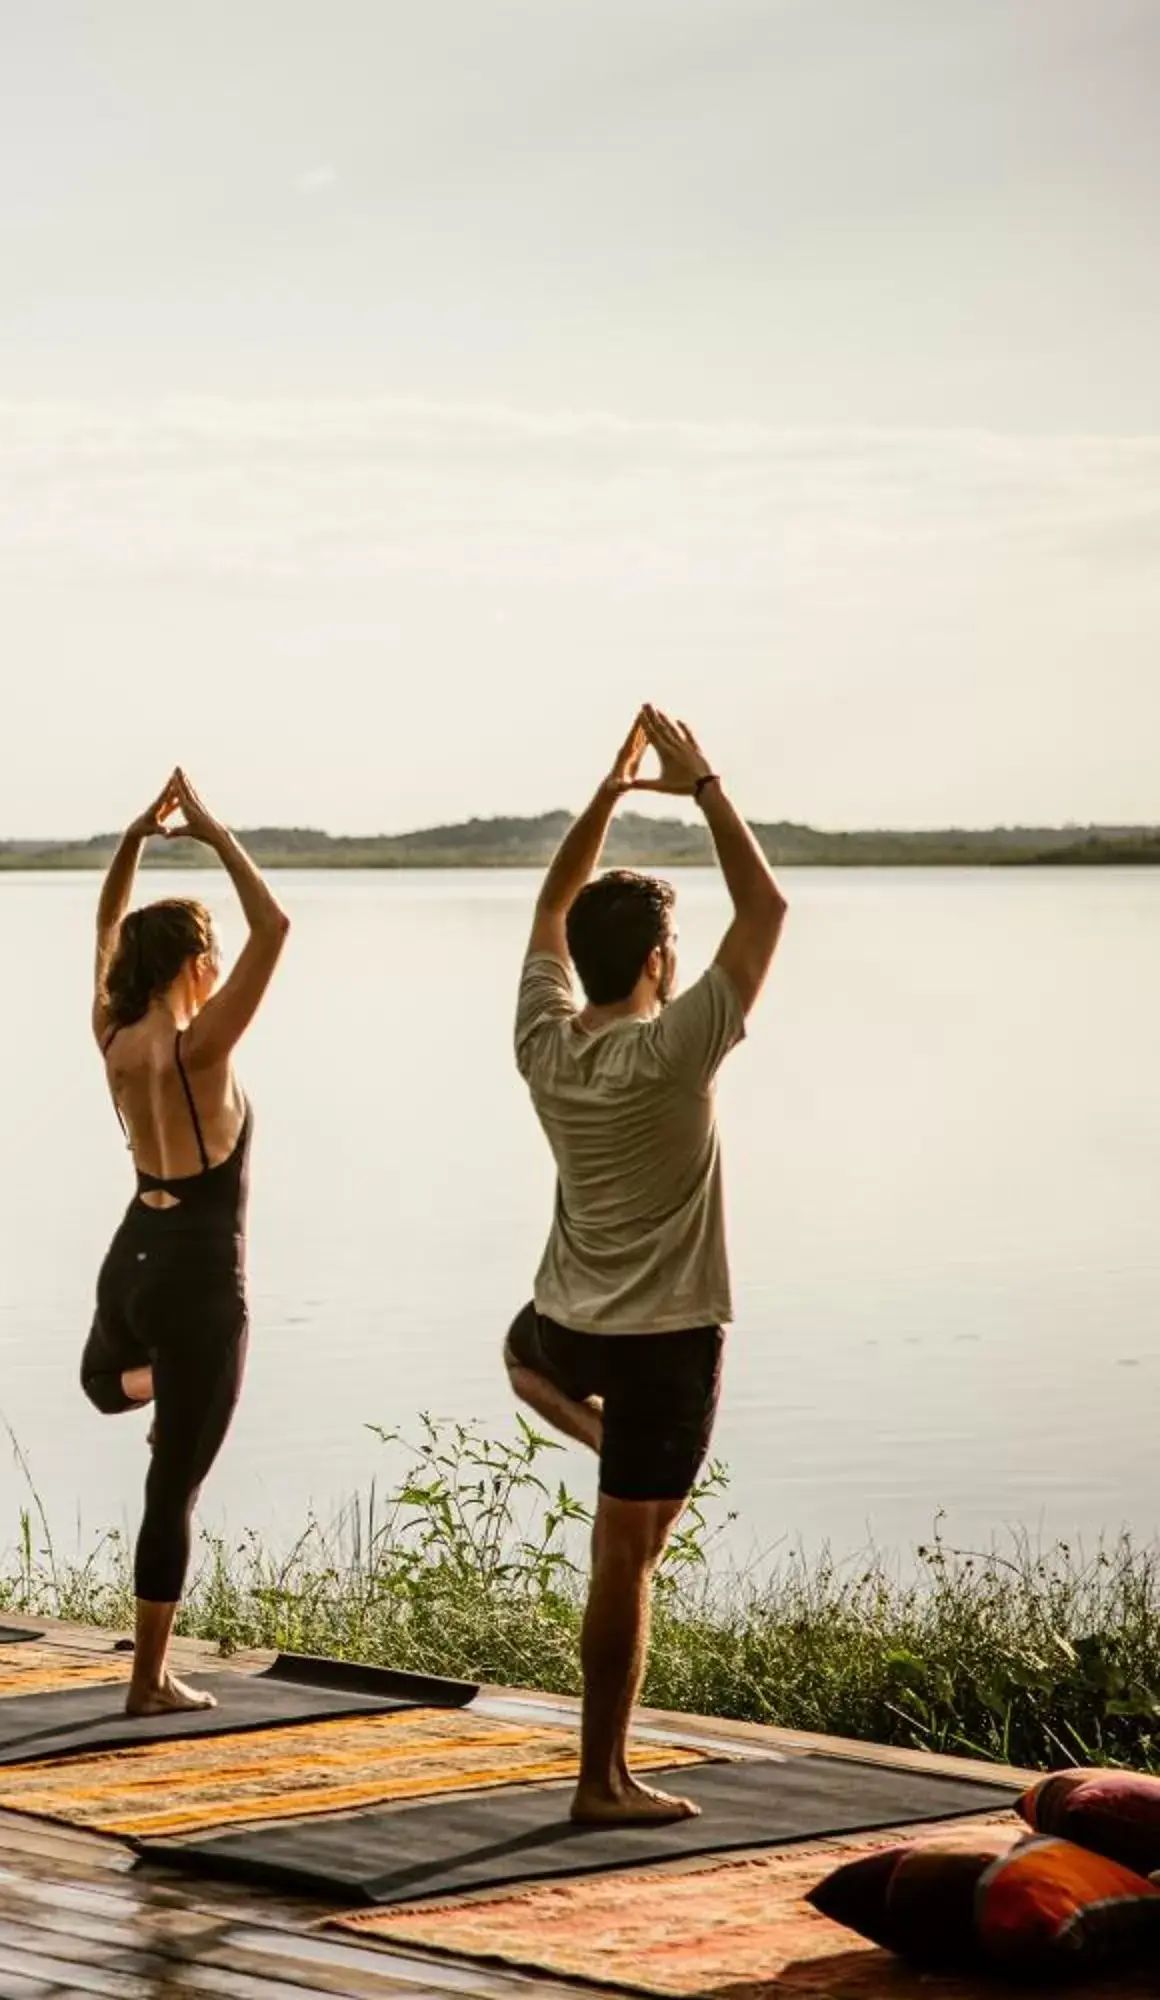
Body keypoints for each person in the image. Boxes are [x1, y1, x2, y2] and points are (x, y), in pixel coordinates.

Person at [506, 706, 786, 1824]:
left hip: (567, 1328)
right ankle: (600, 1781)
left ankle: (571, 1408)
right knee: (628, 1559)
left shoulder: (545, 1042)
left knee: (524, 1351)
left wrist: (612, 792)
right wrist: (701, 780)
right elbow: (766, 905)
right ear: (662, 960)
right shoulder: (680, 1045)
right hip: (667, 1339)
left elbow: (544, 908)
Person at [82, 770, 290, 1715]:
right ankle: (147, 1681)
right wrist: (209, 832)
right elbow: (277, 927)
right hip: (205, 1278)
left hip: (134, 1252)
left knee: (101, 1384)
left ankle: (165, 1377)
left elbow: (102, 928)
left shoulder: (114, 1033)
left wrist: (132, 839)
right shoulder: (200, 1049)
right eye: (209, 959)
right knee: (174, 1493)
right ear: (197, 963)